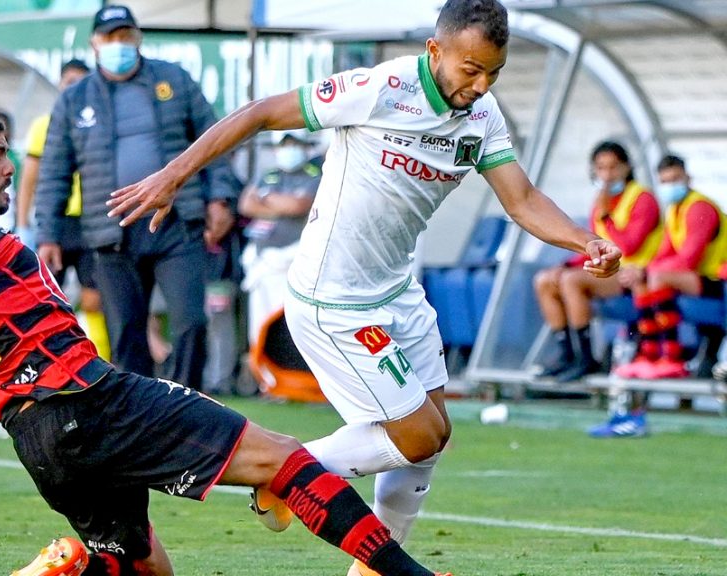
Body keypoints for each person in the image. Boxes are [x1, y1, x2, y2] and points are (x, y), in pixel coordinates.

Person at [106, 1, 621, 574]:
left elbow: (521, 200)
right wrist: (173, 175)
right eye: (470, 69)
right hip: (335, 301)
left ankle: (371, 567)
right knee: (417, 433)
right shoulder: (382, 87)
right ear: (435, 51)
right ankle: (285, 471)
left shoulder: (482, 116)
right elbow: (259, 113)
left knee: (433, 437)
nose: (480, 85)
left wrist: (583, 241)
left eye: (493, 72)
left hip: (397, 292)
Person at [0, 106, 449, 576]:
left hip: (37, 436)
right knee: (282, 458)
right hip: (87, 401)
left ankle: (72, 568)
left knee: (145, 568)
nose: (9, 168)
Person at [36, 5, 241, 391]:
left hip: (176, 223)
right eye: (110, 37)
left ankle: (188, 410)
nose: (118, 44)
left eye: (125, 35)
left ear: (138, 37)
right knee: (127, 334)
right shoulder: (74, 99)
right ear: (95, 43)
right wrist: (47, 234)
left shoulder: (174, 81)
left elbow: (215, 141)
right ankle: (143, 424)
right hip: (113, 230)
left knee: (190, 323)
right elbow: (54, 172)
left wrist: (220, 197)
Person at [588, 154, 727, 438]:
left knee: (656, 277)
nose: (669, 186)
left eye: (674, 180)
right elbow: (665, 252)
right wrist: (640, 270)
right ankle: (651, 355)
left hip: (718, 279)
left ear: (687, 178)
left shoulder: (700, 207)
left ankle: (671, 357)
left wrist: (647, 270)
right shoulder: (675, 209)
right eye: (664, 181)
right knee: (645, 277)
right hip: (696, 279)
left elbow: (689, 259)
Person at [533, 141, 662, 383]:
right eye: (601, 168)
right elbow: (594, 244)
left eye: (613, 167)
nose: (607, 175)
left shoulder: (643, 199)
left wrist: (607, 217)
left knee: (572, 282)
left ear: (626, 167)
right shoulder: (600, 201)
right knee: (546, 279)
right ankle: (566, 353)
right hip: (607, 270)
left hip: (632, 274)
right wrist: (568, 263)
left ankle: (586, 358)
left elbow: (629, 245)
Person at [16, 58, 111, 362]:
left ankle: (99, 370)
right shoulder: (45, 125)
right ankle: (38, 372)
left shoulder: (99, 123)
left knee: (94, 301)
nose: (75, 87)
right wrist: (24, 225)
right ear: (60, 84)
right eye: (69, 81)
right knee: (43, 302)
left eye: (81, 81)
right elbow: (30, 178)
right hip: (56, 224)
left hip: (91, 223)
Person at [239, 130, 321, 346]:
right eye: (285, 144)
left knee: (291, 330)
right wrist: (280, 206)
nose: (289, 149)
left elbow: (299, 205)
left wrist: (265, 199)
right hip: (263, 262)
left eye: (294, 143)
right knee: (261, 330)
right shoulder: (269, 174)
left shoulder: (315, 174)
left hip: (294, 265)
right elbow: (246, 204)